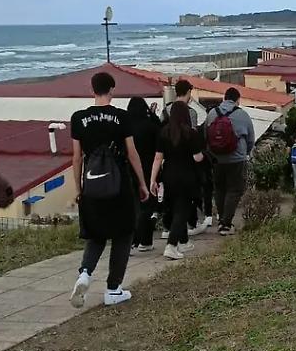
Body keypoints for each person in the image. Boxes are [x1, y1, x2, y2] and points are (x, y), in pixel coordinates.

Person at [69, 72, 150, 308]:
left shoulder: (78, 118)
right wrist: (142, 183)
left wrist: (78, 188)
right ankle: (113, 289)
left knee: (96, 234)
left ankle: (85, 273)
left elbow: (76, 158)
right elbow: (132, 153)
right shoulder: (122, 117)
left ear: (92, 90)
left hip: (92, 186)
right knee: (123, 234)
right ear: (112, 90)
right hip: (119, 185)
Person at [151, 101, 205, 260]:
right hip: (187, 176)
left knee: (176, 208)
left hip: (169, 175)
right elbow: (197, 158)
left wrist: (152, 180)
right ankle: (171, 245)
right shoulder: (191, 133)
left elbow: (157, 158)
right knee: (183, 210)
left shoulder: (164, 132)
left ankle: (183, 241)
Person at [205, 87, 256, 236]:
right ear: (237, 100)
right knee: (234, 190)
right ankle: (226, 224)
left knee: (220, 189)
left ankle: (222, 219)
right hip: (236, 158)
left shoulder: (212, 113)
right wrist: (245, 153)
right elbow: (251, 139)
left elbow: (206, 136)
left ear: (224, 98)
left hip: (216, 159)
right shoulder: (242, 115)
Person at [126, 97, 161, 253]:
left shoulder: (126, 127)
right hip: (149, 169)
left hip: (129, 170)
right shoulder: (150, 126)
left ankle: (130, 241)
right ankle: (145, 241)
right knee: (147, 206)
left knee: (132, 206)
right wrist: (152, 115)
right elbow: (160, 140)